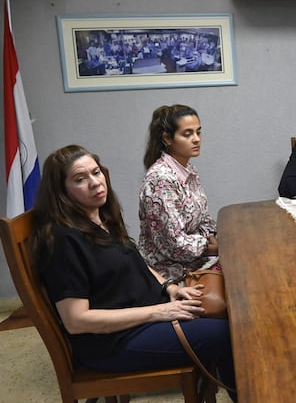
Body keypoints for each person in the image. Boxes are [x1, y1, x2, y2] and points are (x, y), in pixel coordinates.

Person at [32, 145, 237, 401]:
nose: (95, 183)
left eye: (96, 173)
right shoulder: (62, 241)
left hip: (145, 318)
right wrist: (158, 312)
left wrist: (170, 288)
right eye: (80, 179)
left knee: (233, 314)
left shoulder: (99, 219)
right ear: (61, 192)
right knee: (231, 335)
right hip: (115, 343)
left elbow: (136, 262)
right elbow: (77, 320)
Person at [138, 104, 217, 281]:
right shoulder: (161, 179)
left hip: (195, 259)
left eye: (198, 132)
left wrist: (213, 237)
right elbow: (173, 245)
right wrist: (211, 247)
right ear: (167, 138)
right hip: (168, 273)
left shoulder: (188, 168)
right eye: (187, 134)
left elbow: (202, 217)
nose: (196, 139)